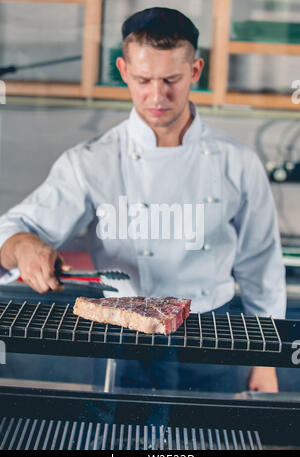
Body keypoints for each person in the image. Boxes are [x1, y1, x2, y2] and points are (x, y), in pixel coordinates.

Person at [0, 7, 286, 392]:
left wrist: (265, 360)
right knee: (123, 449)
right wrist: (23, 246)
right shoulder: (91, 161)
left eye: (172, 79)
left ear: (196, 72)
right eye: (143, 79)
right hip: (123, 338)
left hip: (214, 336)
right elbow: (13, 233)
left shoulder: (238, 162)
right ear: (122, 70)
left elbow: (262, 268)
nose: (157, 96)